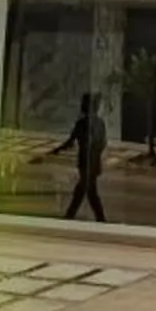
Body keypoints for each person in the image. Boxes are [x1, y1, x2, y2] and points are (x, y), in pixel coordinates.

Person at [50, 91, 108, 223]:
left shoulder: (82, 123)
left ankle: (73, 216)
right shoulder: (100, 123)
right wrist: (96, 153)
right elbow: (103, 143)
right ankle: (98, 218)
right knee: (88, 191)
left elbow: (71, 142)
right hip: (94, 163)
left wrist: (57, 150)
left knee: (84, 190)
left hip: (86, 162)